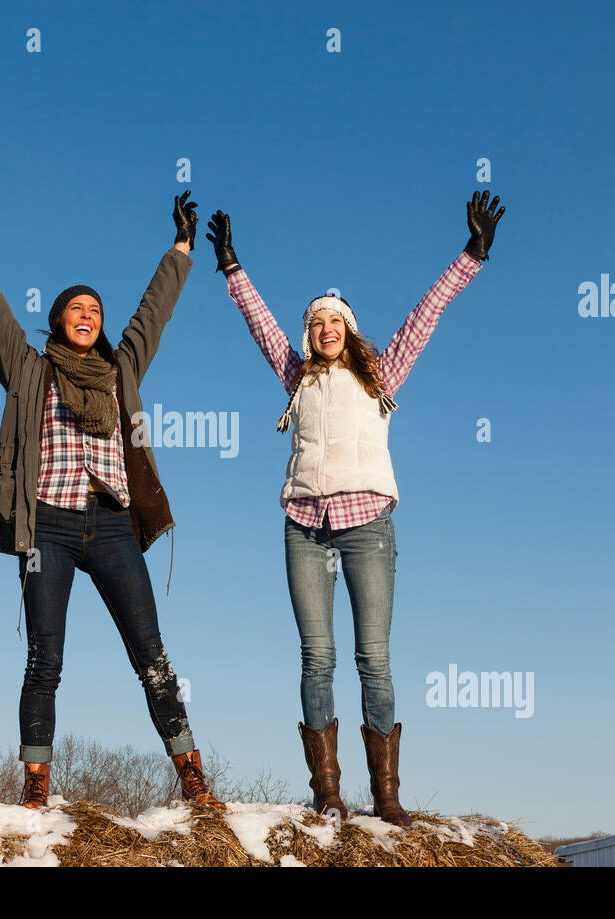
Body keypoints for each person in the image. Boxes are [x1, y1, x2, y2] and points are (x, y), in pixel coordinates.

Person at [205, 191, 506, 826]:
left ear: (350, 328)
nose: (325, 330)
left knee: (375, 656)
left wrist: (471, 255)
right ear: (310, 335)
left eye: (335, 321)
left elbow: (425, 316)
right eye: (316, 323)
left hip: (368, 524)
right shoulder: (298, 377)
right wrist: (232, 267)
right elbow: (261, 323)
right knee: (318, 657)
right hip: (305, 526)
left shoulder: (381, 375)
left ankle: (388, 797)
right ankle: (328, 791)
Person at [0, 184, 224, 810]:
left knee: (152, 655)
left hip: (114, 525)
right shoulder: (30, 369)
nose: (87, 314)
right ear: (59, 320)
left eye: (95, 309)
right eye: (76, 308)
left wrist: (180, 247)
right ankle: (36, 786)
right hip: (48, 529)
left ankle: (192, 775)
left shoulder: (122, 371)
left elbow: (154, 313)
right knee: (45, 659)